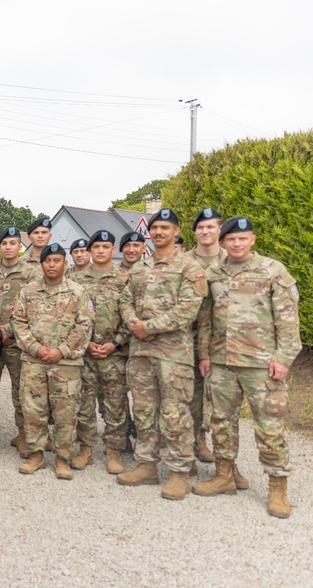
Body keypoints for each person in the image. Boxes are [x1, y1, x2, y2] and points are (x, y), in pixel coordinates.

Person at [193, 217, 301, 519]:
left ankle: (277, 488)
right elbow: (206, 318)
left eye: (243, 238)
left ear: (252, 240)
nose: (237, 244)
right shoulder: (214, 273)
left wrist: (283, 358)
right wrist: (204, 354)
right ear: (223, 242)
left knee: (269, 426)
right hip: (222, 363)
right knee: (221, 422)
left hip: (261, 365)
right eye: (231, 239)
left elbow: (289, 319)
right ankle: (224, 475)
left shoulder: (272, 270)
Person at [117, 208, 208, 501]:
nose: (158, 233)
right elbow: (125, 300)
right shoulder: (139, 268)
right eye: (154, 228)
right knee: (143, 410)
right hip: (142, 352)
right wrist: (134, 324)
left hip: (173, 354)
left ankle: (180, 472)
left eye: (165, 228)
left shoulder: (189, 268)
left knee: (175, 412)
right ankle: (146, 465)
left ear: (176, 232)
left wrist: (150, 327)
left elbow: (188, 309)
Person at [13, 244, 94, 479]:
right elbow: (18, 321)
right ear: (42, 264)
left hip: (65, 364)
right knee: (33, 410)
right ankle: (36, 455)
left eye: (57, 260)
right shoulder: (28, 291)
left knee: (65, 413)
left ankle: (63, 458)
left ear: (64, 264)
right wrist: (36, 348)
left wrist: (62, 350)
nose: (51, 265)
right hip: (33, 361)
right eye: (48, 261)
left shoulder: (77, 292)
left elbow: (85, 325)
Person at [73, 230, 131, 474]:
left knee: (114, 404)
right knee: (83, 402)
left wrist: (116, 343)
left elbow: (132, 315)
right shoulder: (76, 279)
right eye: (95, 247)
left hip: (114, 353)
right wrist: (84, 343)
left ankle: (114, 450)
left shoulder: (125, 278)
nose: (99, 251)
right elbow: (69, 314)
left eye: (105, 247)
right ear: (89, 251)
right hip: (84, 353)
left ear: (113, 250)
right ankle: (86, 449)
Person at [0, 227, 41, 456]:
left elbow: (35, 307)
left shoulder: (31, 273)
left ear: (20, 246)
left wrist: (8, 329)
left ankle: (23, 434)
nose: (8, 247)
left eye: (13, 243)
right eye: (4, 243)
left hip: (18, 342)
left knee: (21, 390)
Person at [185, 208, 227, 467]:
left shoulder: (231, 259)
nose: (205, 231)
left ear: (219, 230)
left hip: (222, 339)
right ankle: (190, 443)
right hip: (188, 337)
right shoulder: (184, 261)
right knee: (190, 393)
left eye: (210, 227)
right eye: (201, 227)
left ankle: (206, 439)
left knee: (217, 395)